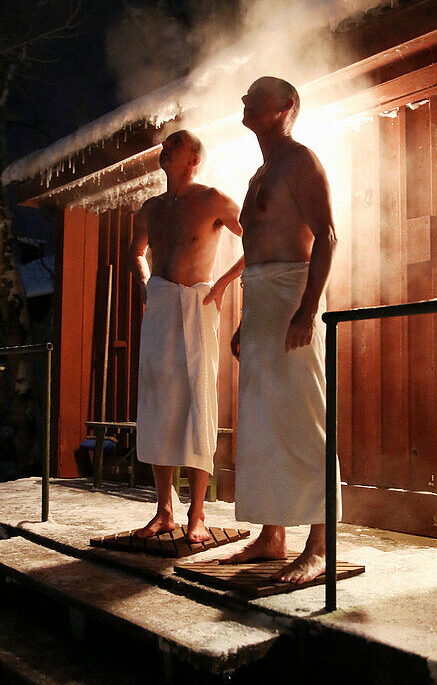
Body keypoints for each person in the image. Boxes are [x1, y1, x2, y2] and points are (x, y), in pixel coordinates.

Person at [204, 76, 341, 583]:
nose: (243, 100)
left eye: (254, 96)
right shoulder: (260, 171)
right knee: (262, 421)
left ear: (284, 107)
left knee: (305, 418)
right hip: (262, 299)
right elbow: (255, 248)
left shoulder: (301, 161)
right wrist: (245, 319)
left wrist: (308, 310)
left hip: (292, 294)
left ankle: (321, 543)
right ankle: (272, 534)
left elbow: (326, 236)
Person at [129, 129, 242, 543]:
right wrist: (145, 285)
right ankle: (164, 511)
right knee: (158, 401)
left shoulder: (211, 199)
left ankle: (196, 513)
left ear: (194, 158)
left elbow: (259, 236)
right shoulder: (151, 208)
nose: (165, 148)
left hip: (199, 303)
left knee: (198, 400)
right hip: (160, 305)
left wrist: (226, 281)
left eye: (174, 144)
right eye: (165, 144)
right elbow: (136, 251)